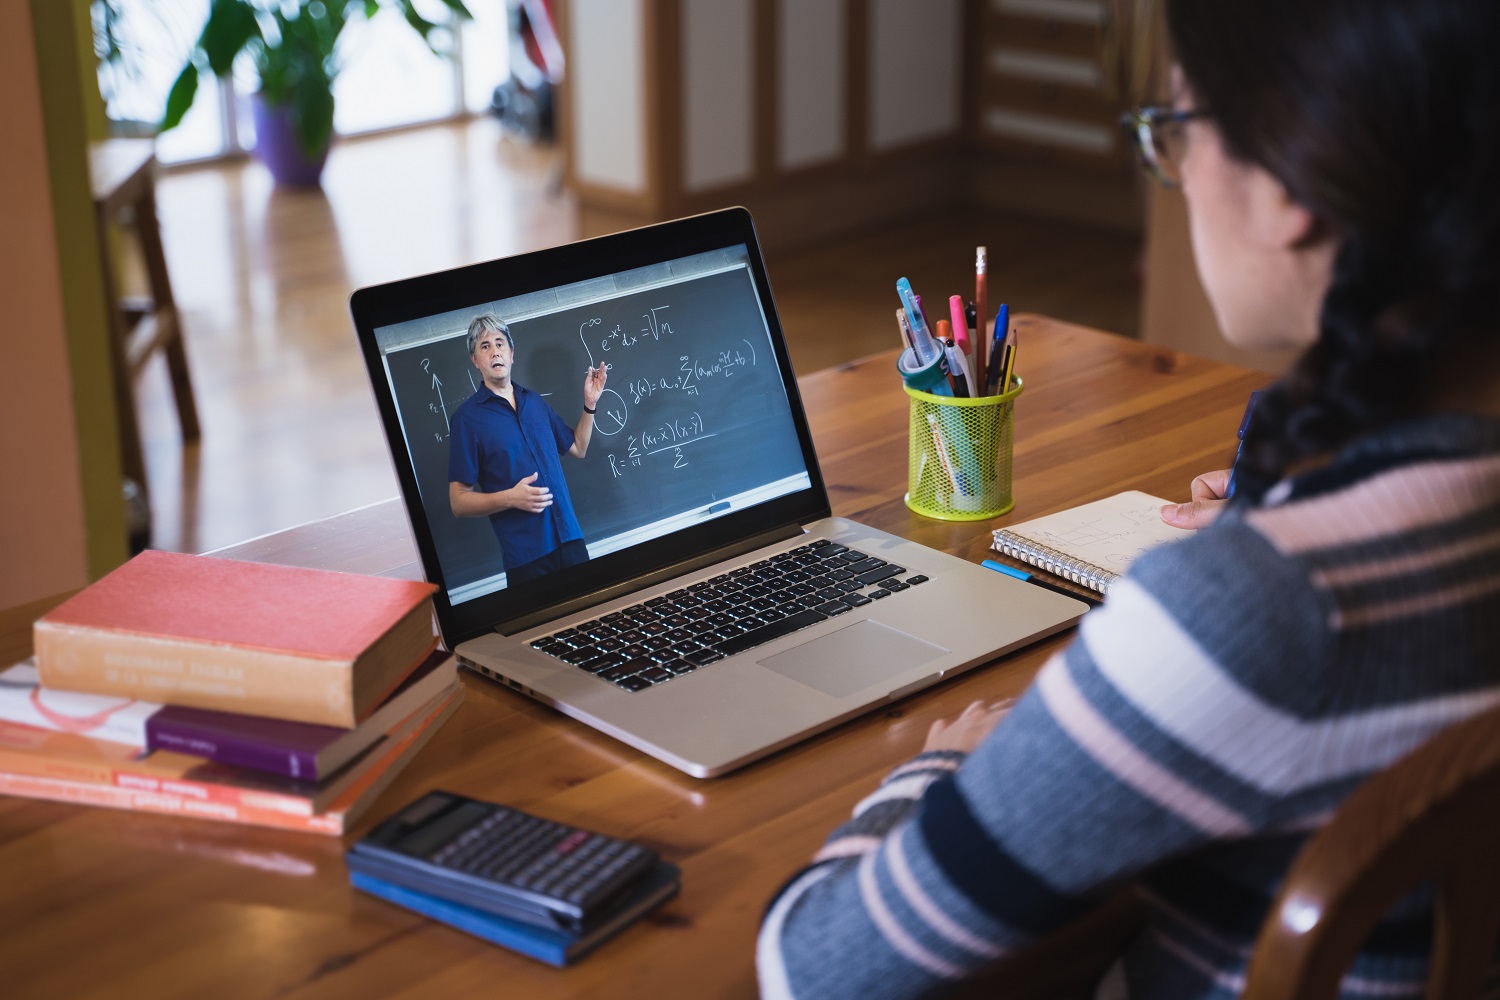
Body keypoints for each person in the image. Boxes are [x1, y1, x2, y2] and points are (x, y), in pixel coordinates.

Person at [758, 0, 1500, 997]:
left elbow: (813, 966)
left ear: (1290, 186)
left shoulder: (1252, 612)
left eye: (1179, 130)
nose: (1178, 171)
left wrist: (936, 774)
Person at [448, 314, 607, 586]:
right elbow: (458, 501)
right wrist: (510, 498)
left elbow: (578, 447)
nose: (494, 351)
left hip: (571, 540)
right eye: (484, 346)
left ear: (511, 354)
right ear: (475, 360)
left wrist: (590, 403)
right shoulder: (467, 419)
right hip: (527, 559)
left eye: (500, 343)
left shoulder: (534, 401)